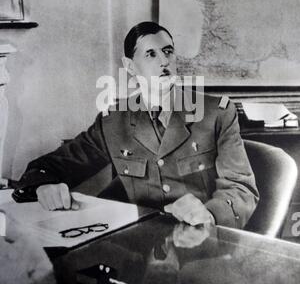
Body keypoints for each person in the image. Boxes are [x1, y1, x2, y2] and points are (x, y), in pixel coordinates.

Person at [12, 21, 259, 228]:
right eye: (151, 54)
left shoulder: (217, 113)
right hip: (140, 246)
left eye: (168, 51)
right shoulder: (113, 120)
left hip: (202, 244)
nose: (164, 61)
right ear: (130, 66)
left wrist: (210, 213)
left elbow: (241, 188)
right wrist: (44, 184)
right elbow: (54, 165)